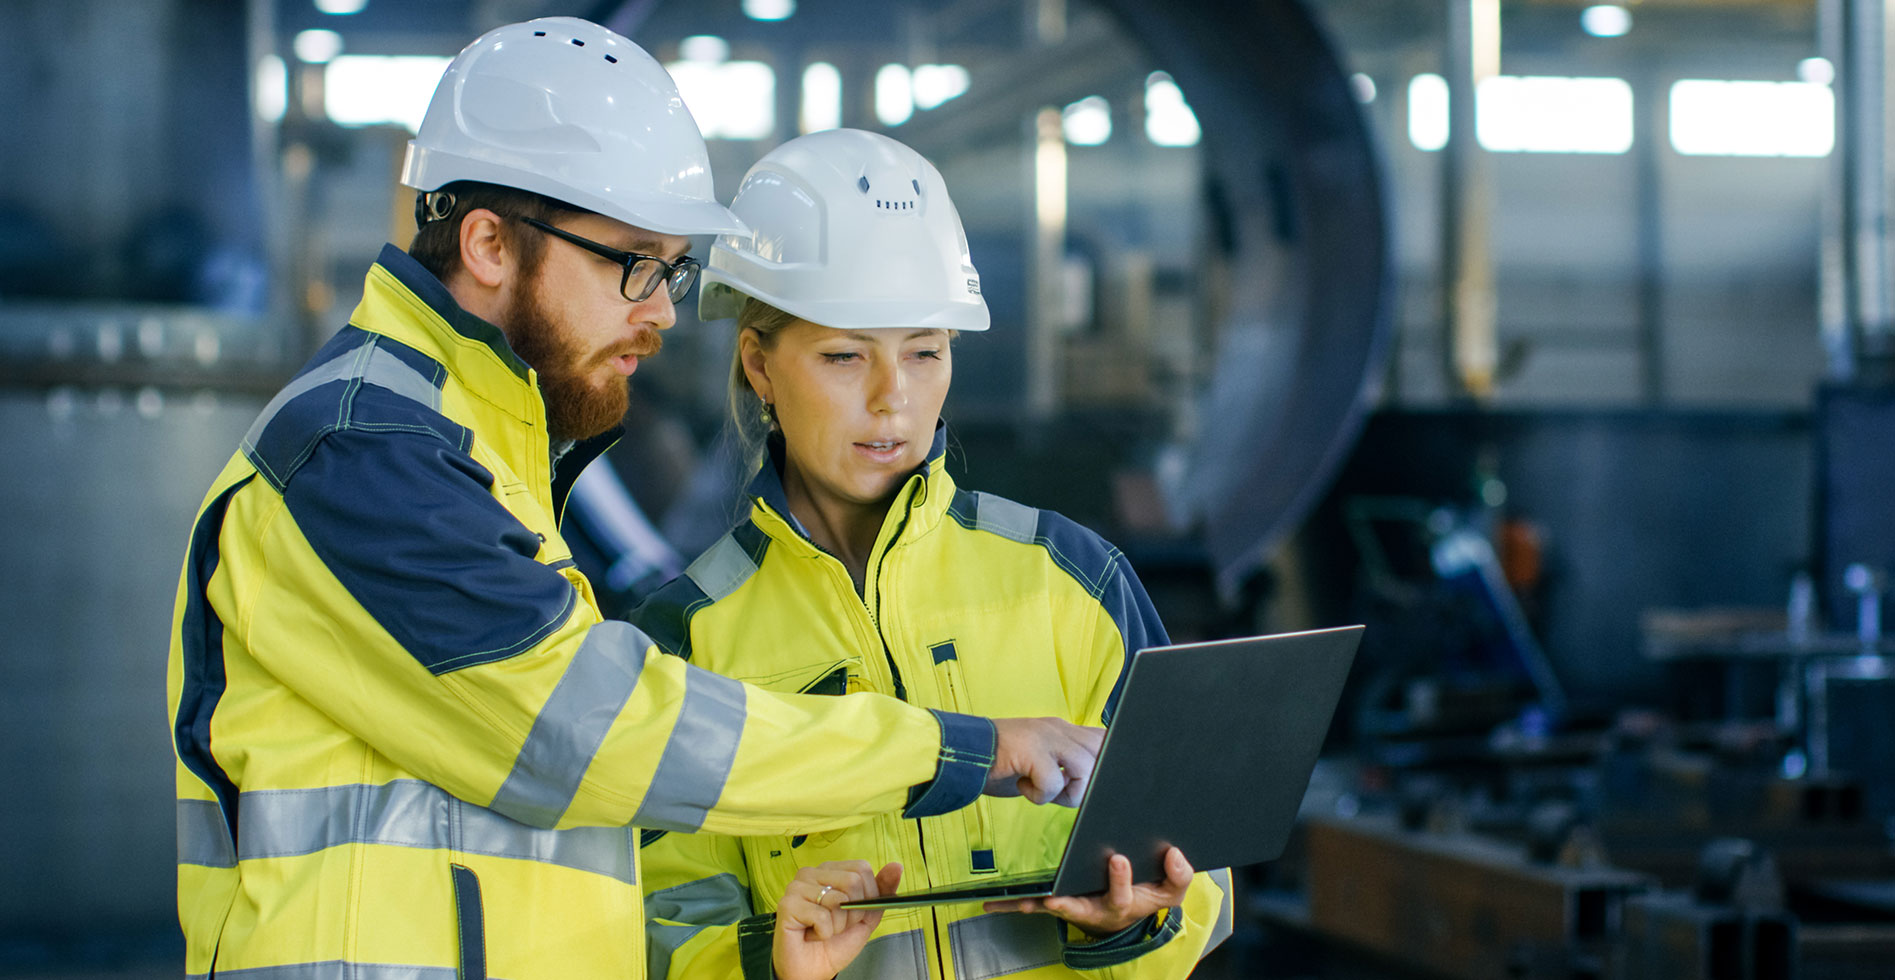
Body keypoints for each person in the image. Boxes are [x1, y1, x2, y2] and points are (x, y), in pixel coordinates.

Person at [165, 19, 1102, 980]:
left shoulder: (482, 445)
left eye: (670, 268)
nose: (660, 308)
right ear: (488, 242)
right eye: (634, 263)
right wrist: (953, 752)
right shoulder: (363, 447)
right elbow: (593, 733)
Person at [632, 129, 1234, 980]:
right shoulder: (686, 641)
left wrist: (1129, 925)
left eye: (925, 351)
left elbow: (1202, 872)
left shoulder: (1072, 577)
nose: (893, 399)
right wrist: (767, 960)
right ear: (759, 365)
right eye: (845, 356)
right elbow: (652, 927)